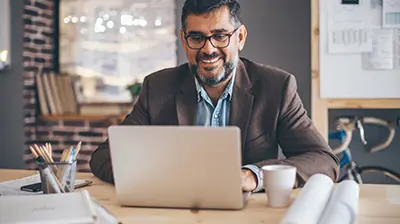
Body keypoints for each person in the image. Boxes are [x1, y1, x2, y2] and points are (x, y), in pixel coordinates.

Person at [90, 0, 340, 192]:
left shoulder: (277, 87)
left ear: (239, 37)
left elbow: (323, 160)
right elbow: (104, 156)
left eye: (220, 36)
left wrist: (253, 176)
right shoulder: (158, 87)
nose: (208, 49)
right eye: (197, 38)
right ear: (184, 40)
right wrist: (157, 177)